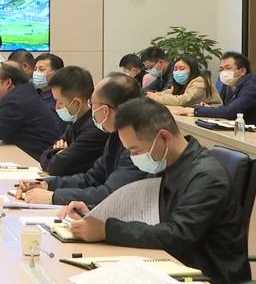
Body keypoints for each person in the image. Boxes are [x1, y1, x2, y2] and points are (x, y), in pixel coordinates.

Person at [61, 98, 250, 284]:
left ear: (164, 138)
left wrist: (106, 230)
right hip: (170, 262)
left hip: (208, 274)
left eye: (136, 150)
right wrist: (94, 212)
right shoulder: (166, 162)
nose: (134, 157)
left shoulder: (207, 177)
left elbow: (177, 235)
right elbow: (142, 207)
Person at [16, 72, 146, 205]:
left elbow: (110, 195)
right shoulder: (115, 135)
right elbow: (91, 178)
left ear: (105, 110)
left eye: (92, 103)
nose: (91, 109)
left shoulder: (137, 143)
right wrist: (45, 184)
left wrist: (53, 197)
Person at [38, 67, 107, 176]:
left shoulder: (94, 130)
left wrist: (58, 153)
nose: (56, 107)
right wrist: (57, 152)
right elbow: (45, 154)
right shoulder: (76, 121)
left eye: (60, 102)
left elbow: (56, 166)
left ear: (77, 103)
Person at [176, 51, 256, 123]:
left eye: (228, 68)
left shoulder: (252, 85)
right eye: (221, 69)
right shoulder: (231, 85)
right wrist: (210, 108)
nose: (224, 72)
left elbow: (230, 112)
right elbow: (228, 108)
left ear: (242, 71)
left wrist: (195, 110)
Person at [146, 57, 221, 107]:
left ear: (192, 70)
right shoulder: (181, 84)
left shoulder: (200, 81)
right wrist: (153, 95)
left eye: (182, 69)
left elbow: (184, 100)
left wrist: (157, 98)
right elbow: (169, 92)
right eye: (175, 69)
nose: (178, 72)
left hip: (214, 115)